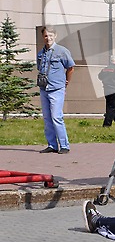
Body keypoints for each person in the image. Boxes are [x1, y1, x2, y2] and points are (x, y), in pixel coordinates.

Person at [37, 26, 75, 154]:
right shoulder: (41, 53)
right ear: (43, 37)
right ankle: (52, 145)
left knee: (56, 117)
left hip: (56, 89)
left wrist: (66, 82)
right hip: (44, 89)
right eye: (46, 36)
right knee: (47, 118)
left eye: (50, 36)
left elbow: (70, 68)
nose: (48, 38)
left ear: (55, 36)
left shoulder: (62, 51)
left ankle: (64, 145)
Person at [98, 56, 115, 127]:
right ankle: (106, 124)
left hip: (107, 90)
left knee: (113, 107)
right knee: (112, 108)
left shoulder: (105, 69)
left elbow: (100, 76)